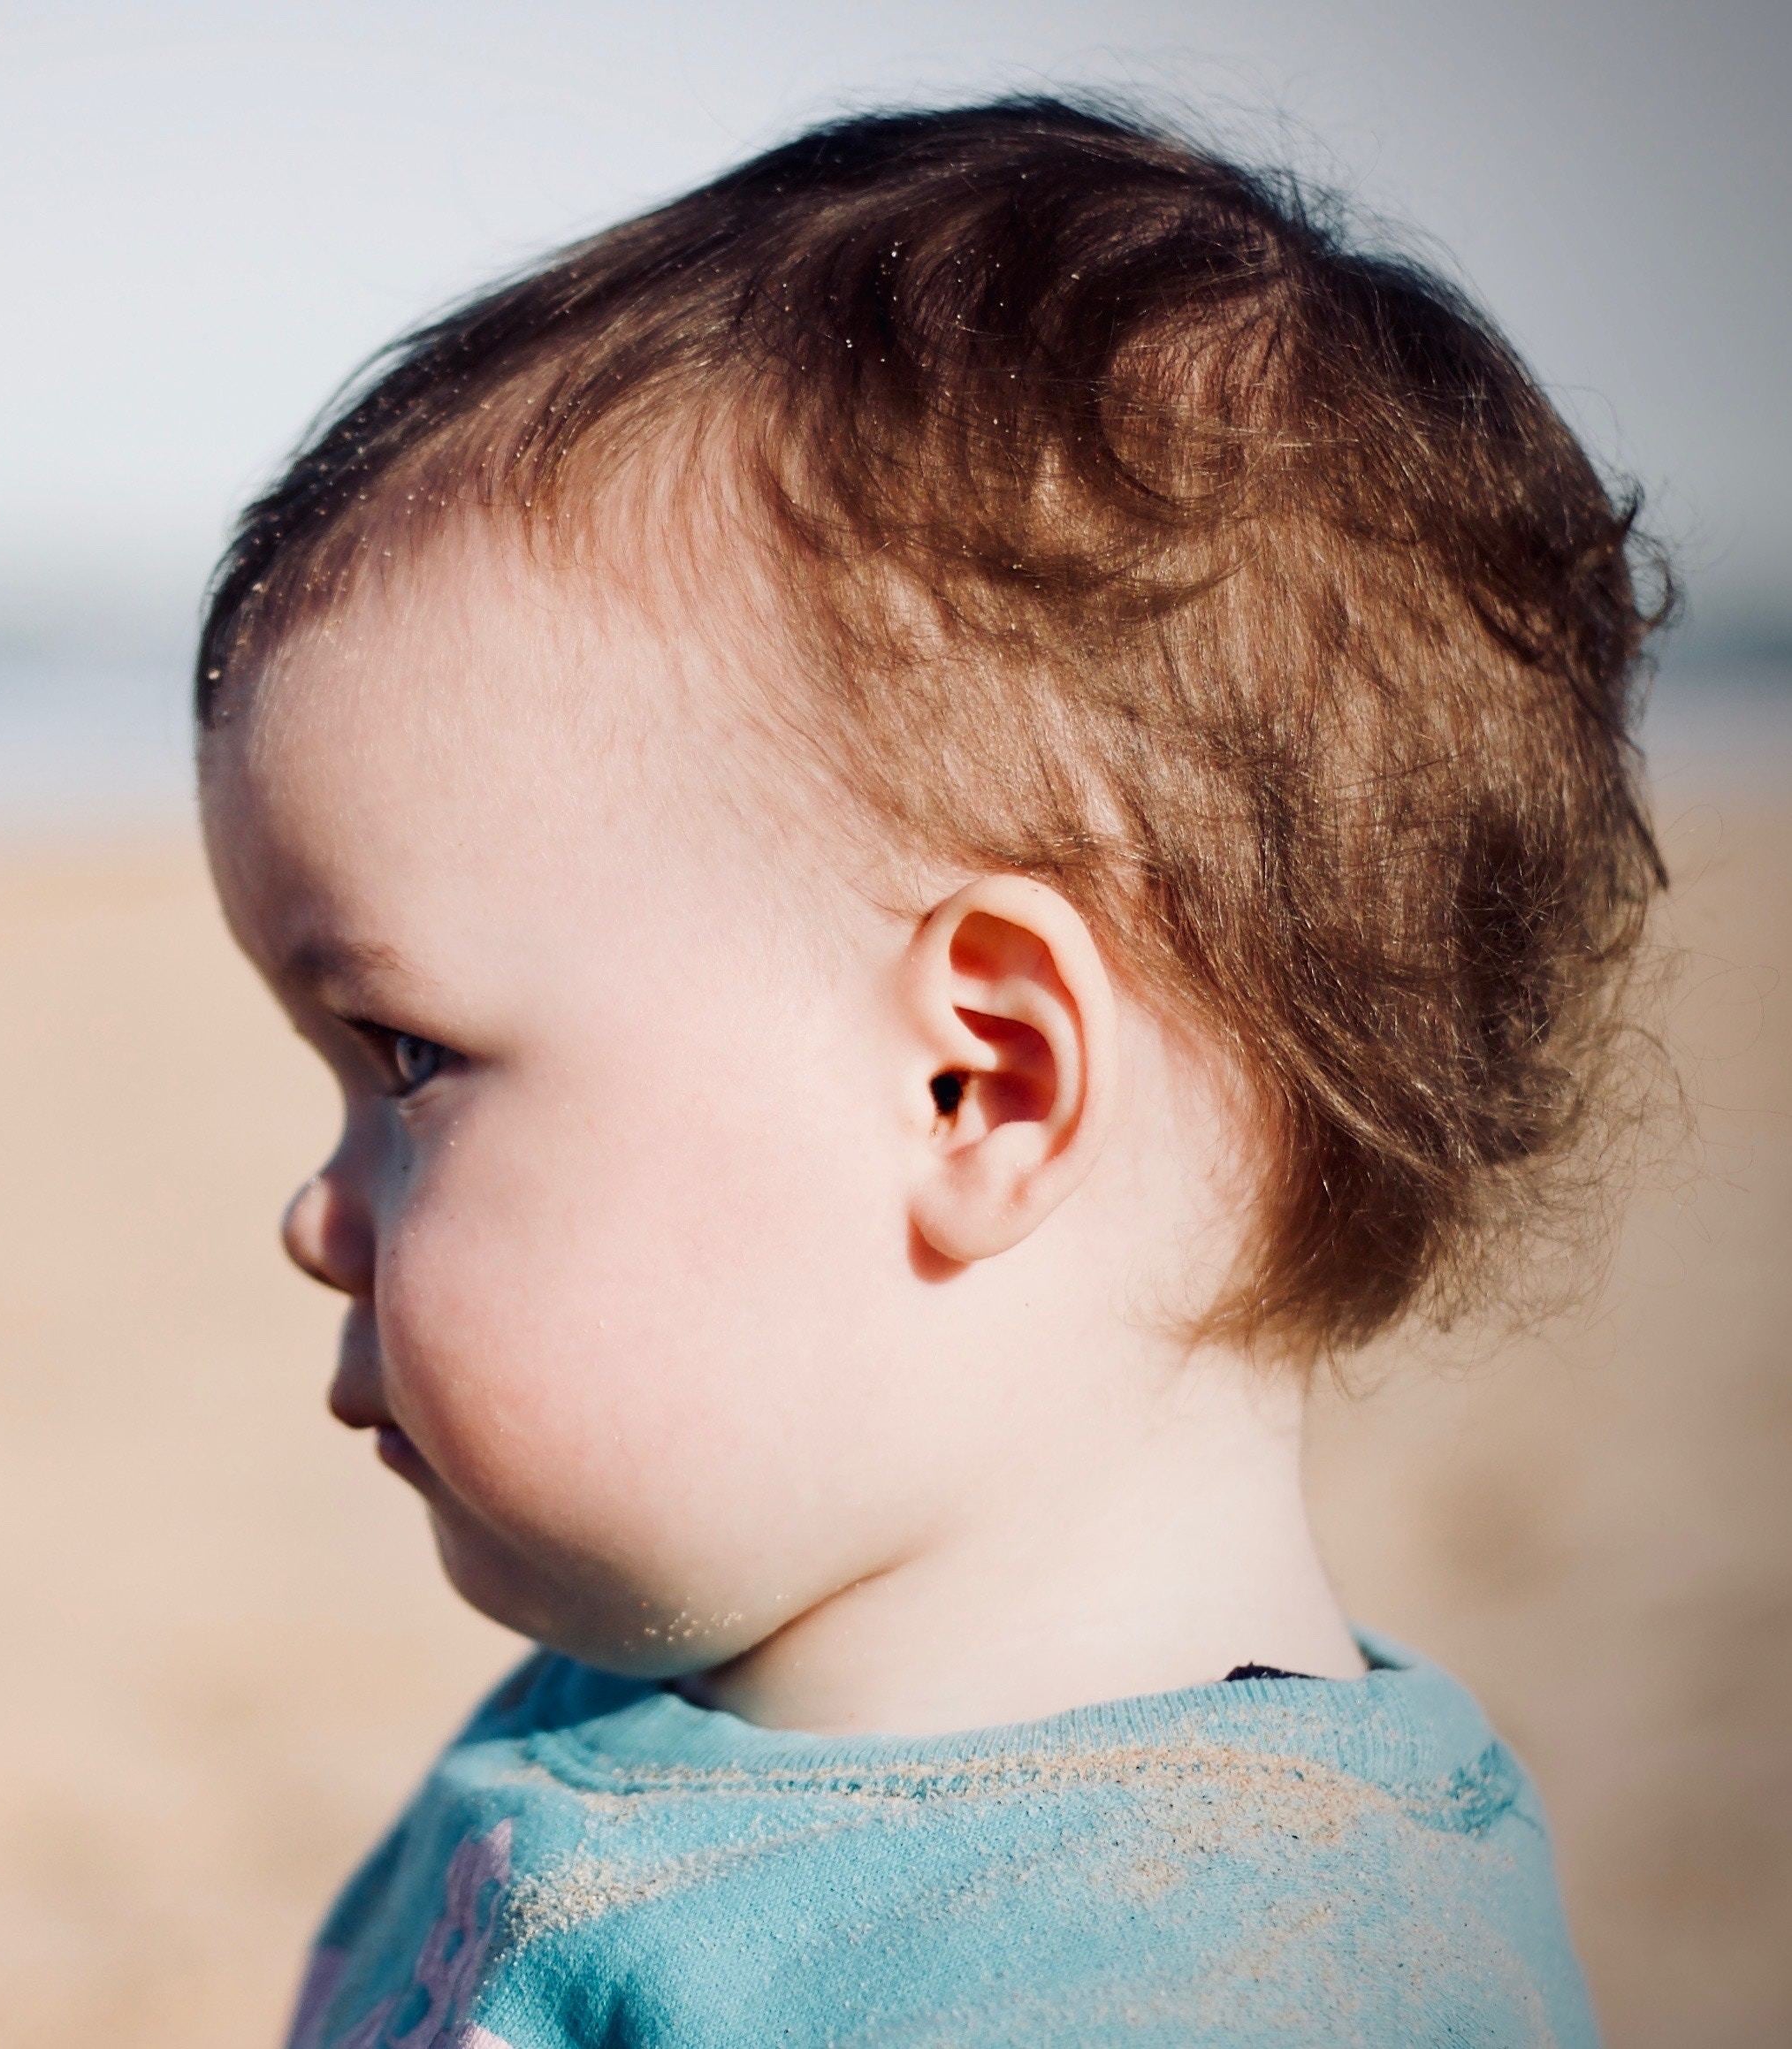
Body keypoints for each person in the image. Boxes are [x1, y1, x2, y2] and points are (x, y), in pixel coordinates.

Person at [195, 97, 1659, 2045]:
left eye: (405, 1055)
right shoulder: (634, 1710)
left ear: (977, 1083)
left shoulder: (1204, 1994)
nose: (314, 1214)